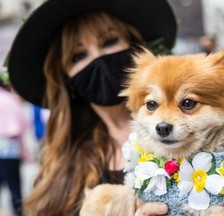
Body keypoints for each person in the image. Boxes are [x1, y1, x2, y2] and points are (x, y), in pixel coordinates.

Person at [8, 0, 177, 215]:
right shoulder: (58, 168)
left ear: (135, 47)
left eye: (109, 41)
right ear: (65, 78)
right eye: (78, 56)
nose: (98, 59)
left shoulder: (184, 135)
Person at [0, 73, 31, 216]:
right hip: (10, 151)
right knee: (15, 190)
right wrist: (26, 153)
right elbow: (22, 126)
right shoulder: (11, 99)